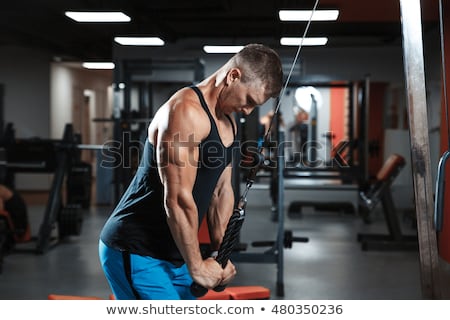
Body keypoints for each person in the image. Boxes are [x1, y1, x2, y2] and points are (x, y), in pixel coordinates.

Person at [98, 44, 283, 300]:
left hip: (177, 254)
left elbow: (221, 191)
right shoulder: (185, 112)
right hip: (137, 248)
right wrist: (197, 267)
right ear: (233, 76)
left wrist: (220, 252)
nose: (248, 111)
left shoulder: (228, 120)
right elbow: (177, 199)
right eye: (249, 101)